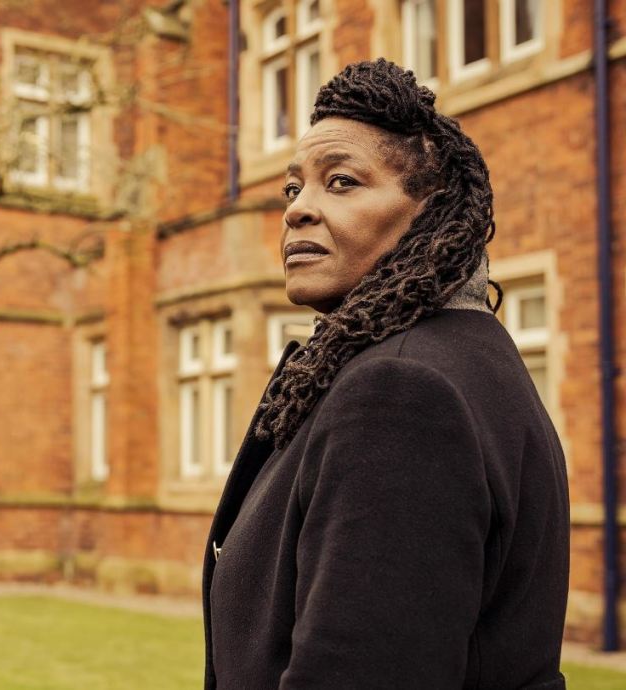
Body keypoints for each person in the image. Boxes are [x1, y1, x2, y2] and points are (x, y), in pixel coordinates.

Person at [202, 58, 570, 689]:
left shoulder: (400, 394)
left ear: (432, 212)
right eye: (294, 189)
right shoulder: (458, 356)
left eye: (341, 182)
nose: (297, 211)